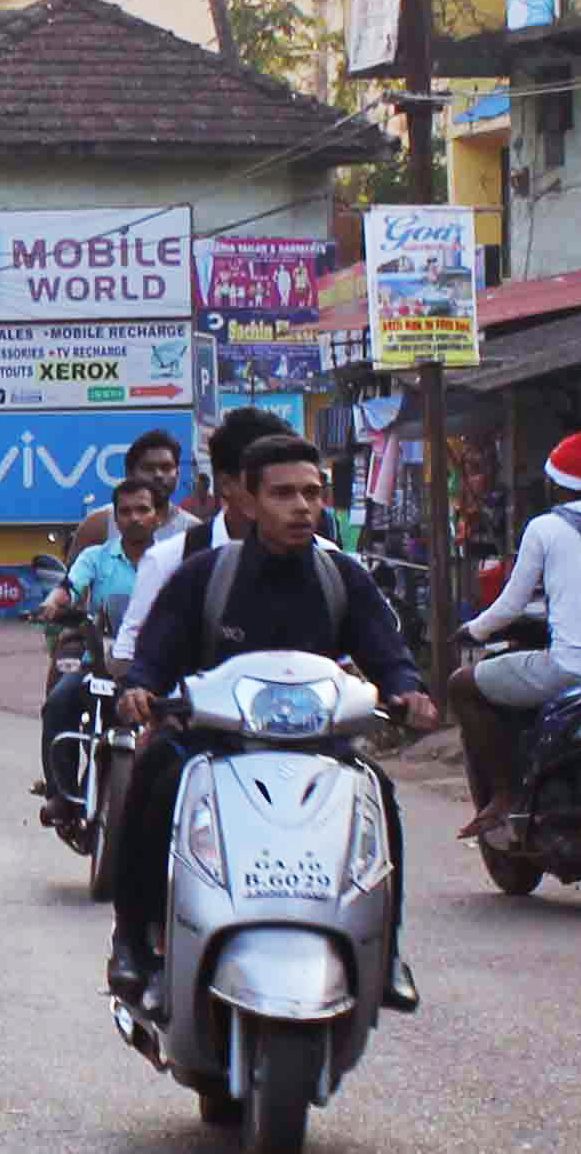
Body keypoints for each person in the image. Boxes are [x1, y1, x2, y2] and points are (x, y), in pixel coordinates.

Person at [109, 435, 435, 1008]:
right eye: (283, 494)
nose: (302, 507)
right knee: (155, 776)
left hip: (319, 751)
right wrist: (140, 689)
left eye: (311, 493)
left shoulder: (342, 576)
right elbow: (155, 655)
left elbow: (388, 654)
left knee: (377, 794)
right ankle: (135, 942)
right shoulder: (205, 576)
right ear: (248, 501)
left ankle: (386, 951)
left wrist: (409, 691)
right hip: (215, 744)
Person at [449, 429, 581, 841]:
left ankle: (505, 795)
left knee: (463, 685)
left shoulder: (543, 528)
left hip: (567, 672)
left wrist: (471, 630)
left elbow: (511, 605)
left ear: (555, 483)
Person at [34, 477, 161, 818]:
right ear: (116, 519)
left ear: (157, 516)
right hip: (100, 664)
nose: (135, 517)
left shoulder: (169, 560)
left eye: (143, 510)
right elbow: (68, 586)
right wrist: (54, 603)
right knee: (59, 703)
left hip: (153, 670)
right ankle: (62, 794)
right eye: (126, 511)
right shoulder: (96, 557)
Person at [112, 407, 279, 665]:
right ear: (226, 484)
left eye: (308, 492)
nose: (299, 505)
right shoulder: (171, 558)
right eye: (266, 484)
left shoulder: (328, 564)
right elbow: (129, 652)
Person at [67, 428, 195, 561]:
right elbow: (72, 580)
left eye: (166, 468)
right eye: (148, 468)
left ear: (177, 474)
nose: (159, 475)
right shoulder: (99, 525)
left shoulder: (193, 530)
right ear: (129, 474)